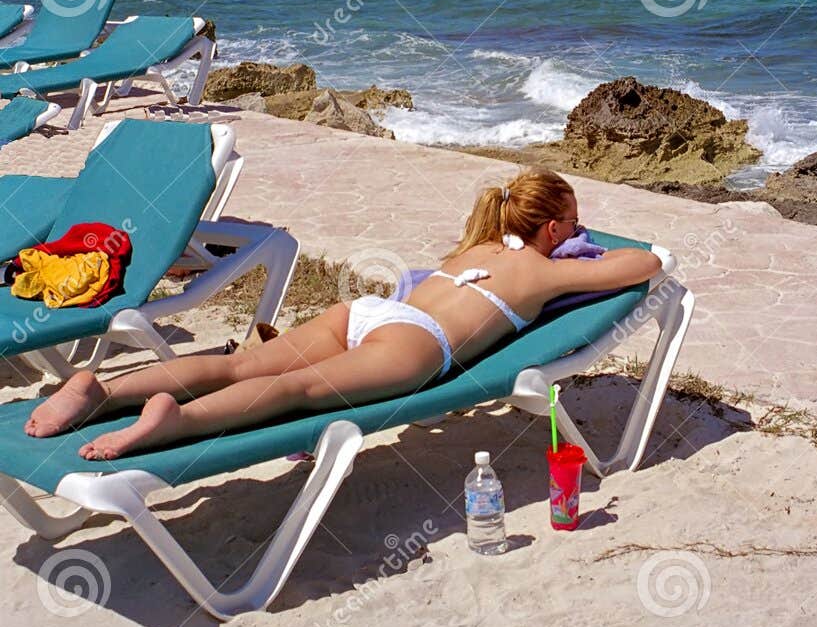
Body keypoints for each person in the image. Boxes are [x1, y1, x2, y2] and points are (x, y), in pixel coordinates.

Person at [26, 169, 661, 462]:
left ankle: (100, 389)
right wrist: (580, 249)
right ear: (552, 226)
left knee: (242, 363)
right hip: (420, 342)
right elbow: (641, 266)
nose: (579, 232)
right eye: (573, 221)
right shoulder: (543, 268)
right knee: (292, 391)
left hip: (367, 312)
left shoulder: (476, 245)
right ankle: (173, 425)